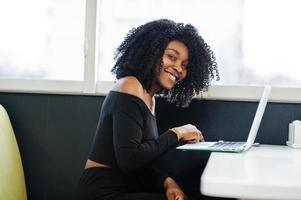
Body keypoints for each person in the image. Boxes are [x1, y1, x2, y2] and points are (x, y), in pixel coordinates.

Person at [77, 19, 219, 200]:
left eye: (184, 65)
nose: (178, 68)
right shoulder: (129, 85)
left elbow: (143, 161)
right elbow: (129, 159)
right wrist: (178, 132)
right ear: (151, 53)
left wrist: (168, 182)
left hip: (130, 187)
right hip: (102, 191)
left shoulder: (149, 98)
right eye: (172, 57)